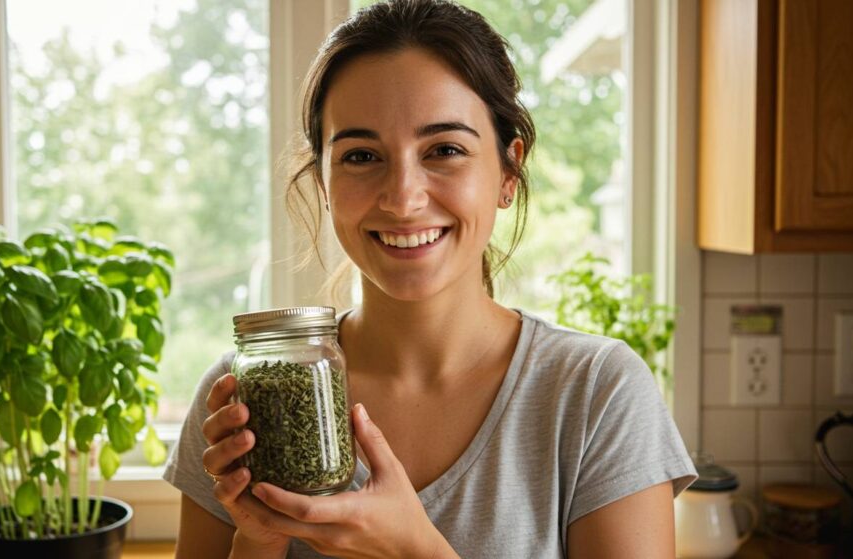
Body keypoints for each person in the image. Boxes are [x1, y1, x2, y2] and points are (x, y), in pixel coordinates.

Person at [164, 1, 696, 557]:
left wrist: (415, 548)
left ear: (509, 171)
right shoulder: (245, 395)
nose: (403, 199)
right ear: (322, 181)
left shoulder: (597, 393)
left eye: (445, 150)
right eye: (361, 156)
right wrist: (257, 538)